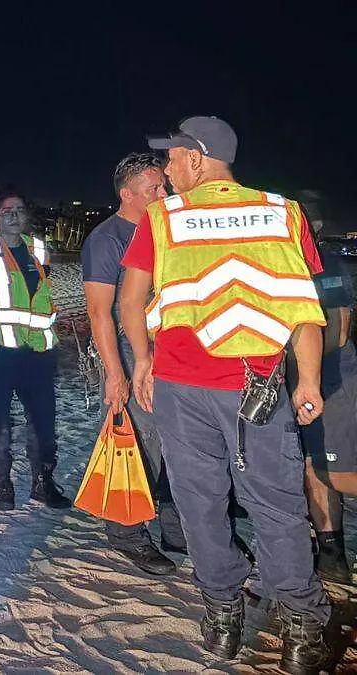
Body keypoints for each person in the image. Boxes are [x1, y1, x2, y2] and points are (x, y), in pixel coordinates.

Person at [120, 116, 331, 673]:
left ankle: (222, 615)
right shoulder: (283, 213)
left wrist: (142, 360)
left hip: (181, 388)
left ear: (196, 157)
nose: (167, 170)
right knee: (278, 505)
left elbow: (130, 300)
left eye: (172, 158)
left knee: (200, 504)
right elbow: (302, 306)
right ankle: (301, 629)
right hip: (258, 386)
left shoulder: (163, 218)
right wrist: (309, 379)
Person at [80, 153, 186, 576]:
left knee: (175, 441)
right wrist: (115, 374)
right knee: (138, 444)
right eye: (153, 189)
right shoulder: (108, 239)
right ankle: (126, 533)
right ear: (127, 194)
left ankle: (176, 527)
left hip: (167, 350)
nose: (164, 193)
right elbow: (98, 312)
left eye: (164, 186)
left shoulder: (164, 230)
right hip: (128, 350)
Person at [0, 194, 70, 511]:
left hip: (36, 352)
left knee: (42, 421)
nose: (13, 215)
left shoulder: (38, 250)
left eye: (19, 210)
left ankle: (43, 482)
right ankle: (2, 484)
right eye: (6, 211)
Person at [294, 206, 356, 585]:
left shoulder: (327, 265)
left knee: (334, 471)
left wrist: (300, 362)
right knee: (310, 465)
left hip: (332, 381)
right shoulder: (282, 263)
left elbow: (340, 332)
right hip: (300, 384)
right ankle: (331, 554)